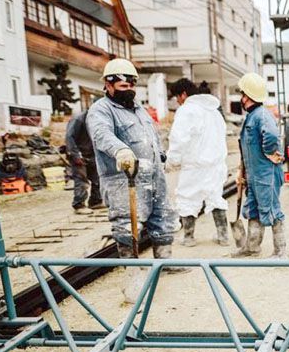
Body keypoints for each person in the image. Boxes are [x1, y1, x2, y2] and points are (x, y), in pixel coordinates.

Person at [86, 58, 179, 262]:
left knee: (163, 218)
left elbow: (151, 136)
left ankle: (165, 262)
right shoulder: (101, 110)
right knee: (128, 225)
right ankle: (132, 269)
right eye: (122, 86)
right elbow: (101, 134)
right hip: (124, 179)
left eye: (131, 85)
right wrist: (120, 150)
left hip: (154, 177)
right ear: (108, 85)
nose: (128, 90)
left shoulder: (139, 109)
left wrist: (162, 155)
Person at [166, 78, 229, 246]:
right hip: (215, 164)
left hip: (194, 165)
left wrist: (172, 160)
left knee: (187, 197)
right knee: (216, 197)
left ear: (184, 94)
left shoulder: (187, 110)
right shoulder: (214, 111)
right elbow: (222, 135)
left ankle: (188, 237)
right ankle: (223, 236)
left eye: (177, 98)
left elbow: (179, 138)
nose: (178, 102)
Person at [234, 72, 286, 258]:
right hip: (255, 176)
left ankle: (280, 252)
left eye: (243, 94)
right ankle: (252, 247)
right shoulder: (252, 116)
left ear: (248, 96)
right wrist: (244, 173)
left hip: (266, 175)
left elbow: (271, 136)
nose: (241, 98)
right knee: (253, 210)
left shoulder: (262, 115)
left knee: (272, 210)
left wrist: (270, 152)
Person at [65, 110, 103, 214]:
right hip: (79, 154)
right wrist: (75, 154)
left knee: (97, 178)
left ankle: (95, 201)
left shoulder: (98, 119)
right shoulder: (78, 119)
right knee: (81, 180)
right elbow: (69, 137)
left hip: (92, 153)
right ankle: (79, 205)